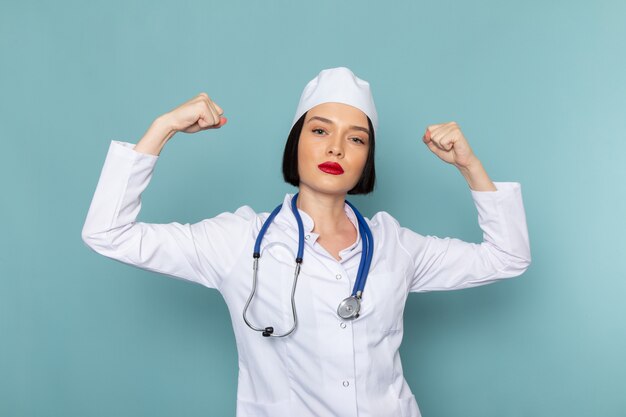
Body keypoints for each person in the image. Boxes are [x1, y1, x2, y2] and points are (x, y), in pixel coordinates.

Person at [81, 67, 531, 417]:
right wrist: (163, 128)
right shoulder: (239, 241)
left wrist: (470, 167)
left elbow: (508, 257)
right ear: (296, 141)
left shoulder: (395, 245)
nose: (336, 148)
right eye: (320, 130)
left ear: (366, 158)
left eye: (355, 139)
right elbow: (108, 233)